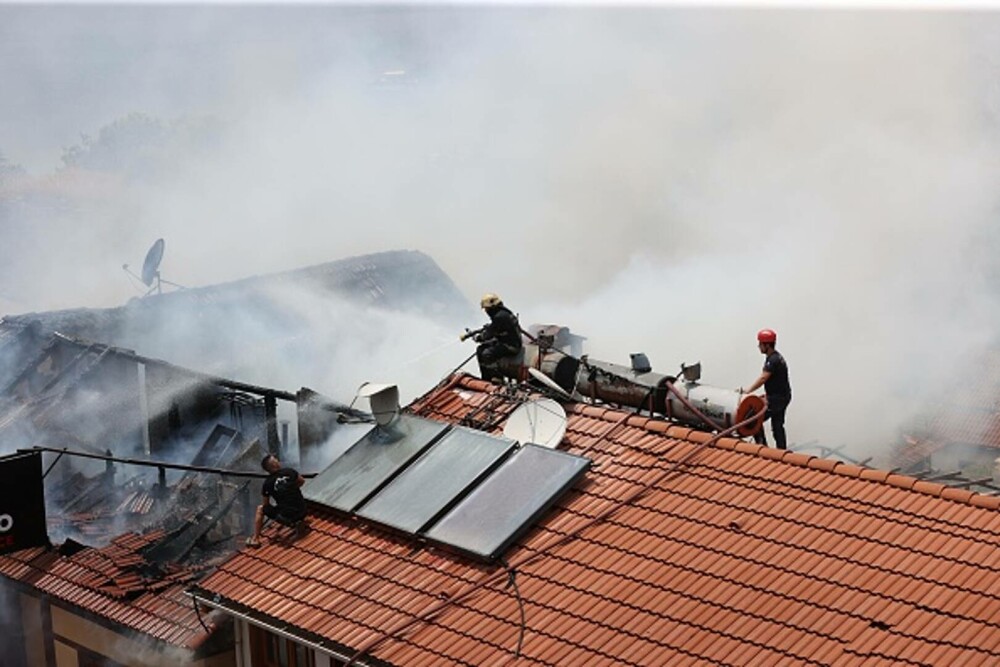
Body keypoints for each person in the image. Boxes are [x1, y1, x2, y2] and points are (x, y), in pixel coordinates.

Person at [741, 328, 792, 449]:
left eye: (760, 344)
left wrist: (747, 391)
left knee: (752, 418)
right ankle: (782, 450)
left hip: (777, 399)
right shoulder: (777, 357)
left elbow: (763, 378)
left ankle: (762, 446)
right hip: (782, 397)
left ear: (767, 345)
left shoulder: (773, 360)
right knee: (777, 425)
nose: (759, 346)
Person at [245, 454, 307, 547]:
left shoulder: (267, 483)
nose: (278, 460)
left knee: (261, 509)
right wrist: (290, 489)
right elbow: (302, 481)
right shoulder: (289, 471)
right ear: (274, 464)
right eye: (276, 460)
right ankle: (299, 521)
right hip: (303, 511)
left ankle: (255, 539)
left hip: (288, 517)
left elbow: (266, 504)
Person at [461, 293, 523, 382]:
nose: (486, 311)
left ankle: (497, 377)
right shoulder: (503, 313)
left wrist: (478, 338)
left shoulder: (500, 317)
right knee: (480, 349)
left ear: (492, 307)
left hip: (512, 346)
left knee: (487, 354)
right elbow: (496, 328)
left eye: (486, 309)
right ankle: (486, 377)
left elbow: (489, 334)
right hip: (508, 341)